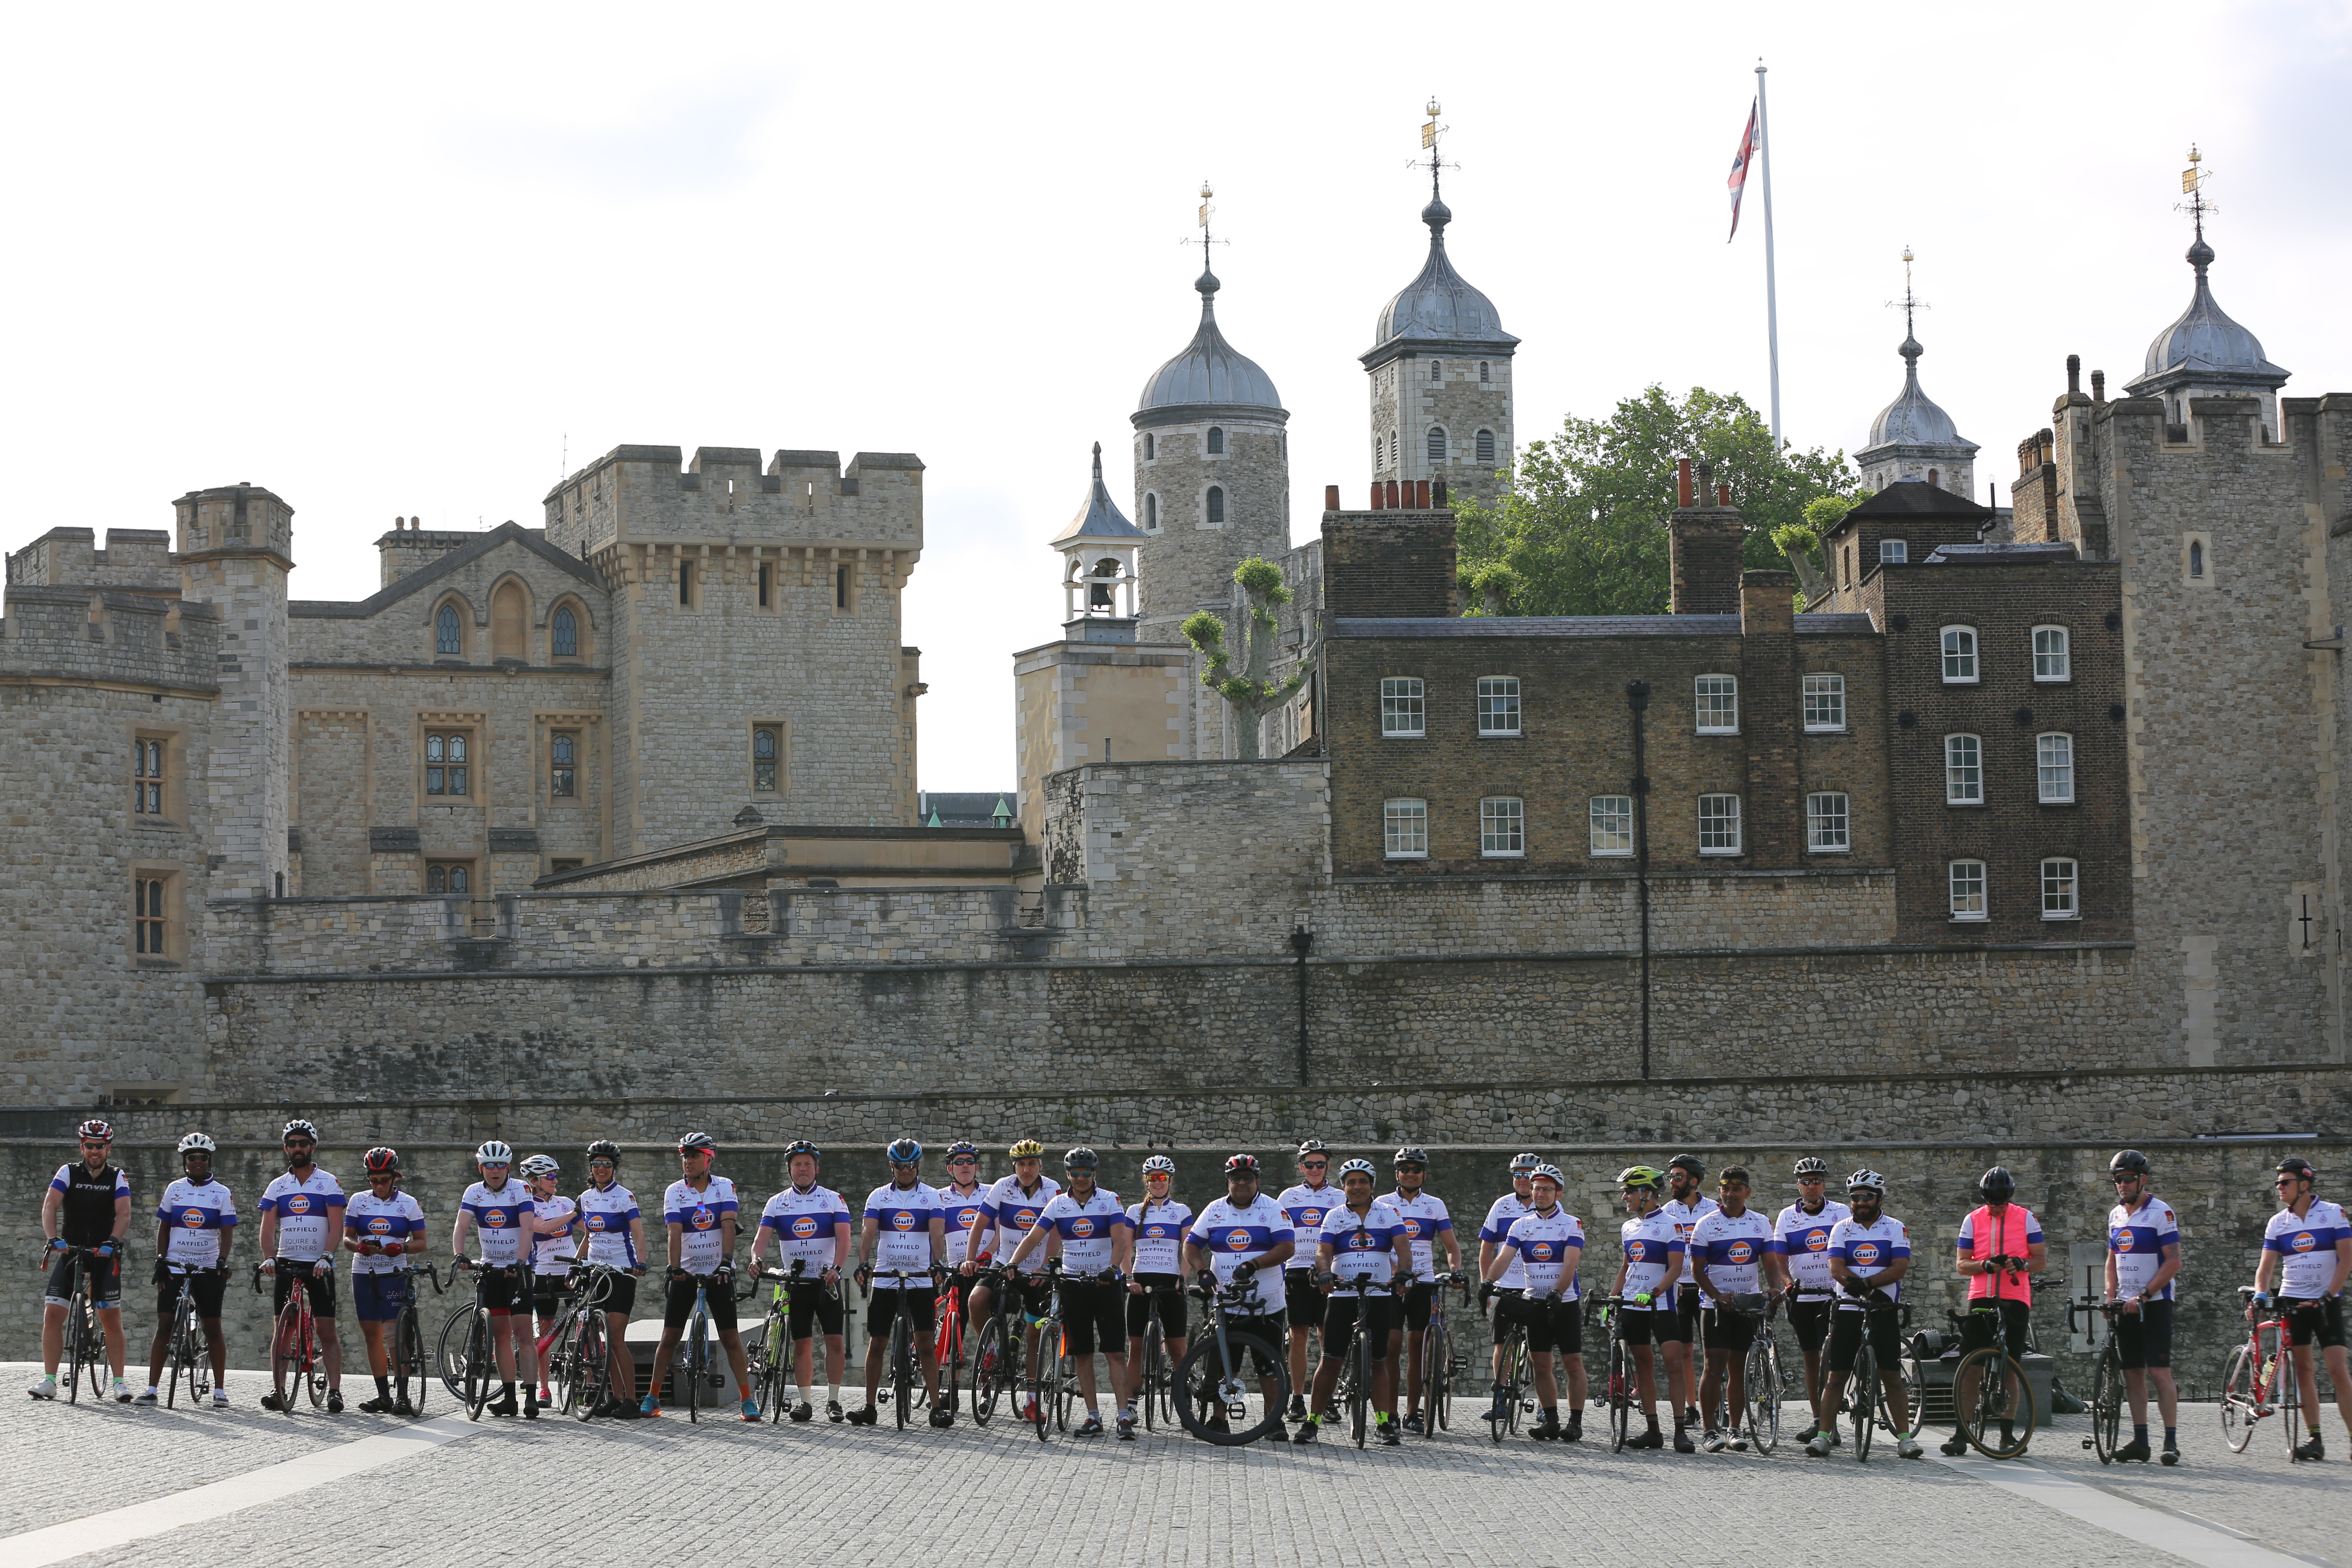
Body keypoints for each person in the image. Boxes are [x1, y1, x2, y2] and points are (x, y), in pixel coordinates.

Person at [1010, 1147, 1133, 1437]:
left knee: (1115, 1353)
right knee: (1082, 1354)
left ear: (1094, 1174)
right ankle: (1093, 1417)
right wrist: (1012, 1263)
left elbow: (1120, 1242)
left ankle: (1124, 1417)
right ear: (1068, 1175)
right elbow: (1033, 1237)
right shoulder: (1057, 1205)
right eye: (1075, 1173)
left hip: (1105, 1284)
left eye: (1086, 1173)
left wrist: (1113, 1268)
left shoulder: (1110, 1200)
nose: (1080, 1178)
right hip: (1073, 1285)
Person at [1295, 1158, 1415, 1446]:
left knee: (1379, 1361)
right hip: (1343, 1293)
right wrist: (1324, 1272)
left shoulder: (1388, 1213)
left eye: (1362, 1182)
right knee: (1331, 1360)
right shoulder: (1335, 1216)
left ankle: (1384, 1423)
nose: (1357, 1187)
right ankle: (1313, 1422)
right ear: (1344, 1187)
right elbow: (1323, 1251)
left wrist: (1405, 1274)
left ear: (1372, 1186)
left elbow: (1403, 1247)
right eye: (1351, 1182)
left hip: (1378, 1294)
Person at [1808, 1169, 1921, 1459]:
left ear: (1879, 1198)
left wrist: (1868, 1286)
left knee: (1892, 1377)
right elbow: (1836, 1269)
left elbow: (1899, 1268)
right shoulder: (1841, 1229)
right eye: (1856, 1197)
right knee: (1836, 1377)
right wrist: (1860, 1290)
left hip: (1883, 1309)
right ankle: (1823, 1436)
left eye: (1867, 1196)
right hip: (1848, 1309)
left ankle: (1905, 1438)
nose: (1861, 1202)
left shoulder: (1895, 1227)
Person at [645, 1131, 759, 1421]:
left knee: (731, 1338)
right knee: (669, 1337)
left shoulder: (724, 1187)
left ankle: (748, 1400)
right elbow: (674, 1232)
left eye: (694, 1156)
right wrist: (674, 1268)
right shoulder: (675, 1192)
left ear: (709, 1159)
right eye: (685, 1156)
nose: (688, 1161)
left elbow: (729, 1225)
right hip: (687, 1271)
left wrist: (726, 1262)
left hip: (718, 1272)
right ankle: (652, 1397)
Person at [1182, 1154, 1296, 1431]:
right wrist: (1201, 1270)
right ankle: (1219, 1419)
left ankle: (1274, 1420)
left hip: (1266, 1302)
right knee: (1223, 1366)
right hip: (1227, 1301)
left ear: (1258, 1181)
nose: (1242, 1183)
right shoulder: (1214, 1210)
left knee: (1269, 1366)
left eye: (1248, 1178)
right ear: (1228, 1183)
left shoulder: (1272, 1209)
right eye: (1236, 1178)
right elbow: (1191, 1246)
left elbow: (1287, 1248)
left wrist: (1254, 1264)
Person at [2250, 1156, 2352, 1461]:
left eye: (2285, 1182)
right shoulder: (2277, 1223)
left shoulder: (2334, 1214)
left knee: (2337, 1370)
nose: (2278, 1188)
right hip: (2293, 1300)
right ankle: (2315, 1439)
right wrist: (2260, 1294)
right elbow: (2266, 1268)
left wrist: (2329, 1295)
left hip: (2326, 1302)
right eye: (2277, 1183)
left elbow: (2346, 1260)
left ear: (2304, 1185)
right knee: (2304, 1370)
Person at [1942, 1165, 2045, 1458]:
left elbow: (2040, 1260)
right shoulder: (1972, 1220)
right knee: (1971, 1366)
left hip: (2015, 1296)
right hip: (1982, 1296)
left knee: (2010, 1365)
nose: (1997, 1208)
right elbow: (1962, 1265)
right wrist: (1985, 1265)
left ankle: (2008, 1434)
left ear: (2009, 1198)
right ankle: (1962, 1433)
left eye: (2001, 1202)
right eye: (1991, 1202)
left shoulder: (2026, 1218)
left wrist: (2021, 1264)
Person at [1479, 1163, 1585, 1441]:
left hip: (1565, 1303)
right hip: (1535, 1302)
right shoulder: (1521, 1224)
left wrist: (1559, 1292)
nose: (1540, 1194)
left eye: (1547, 1190)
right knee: (1541, 1365)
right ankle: (1551, 1421)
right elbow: (1503, 1258)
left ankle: (1575, 1422)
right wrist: (1488, 1283)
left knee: (1573, 1364)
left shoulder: (1571, 1224)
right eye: (1537, 1189)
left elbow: (1570, 1265)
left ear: (1558, 1194)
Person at [750, 1138, 852, 1422]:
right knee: (802, 1344)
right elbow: (761, 1241)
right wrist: (756, 1260)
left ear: (816, 1168)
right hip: (797, 1284)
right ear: (790, 1170)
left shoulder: (833, 1199)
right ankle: (805, 1402)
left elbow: (845, 1240)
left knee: (835, 1342)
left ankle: (833, 1401)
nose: (803, 1169)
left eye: (808, 1164)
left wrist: (837, 1268)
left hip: (826, 1282)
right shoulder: (777, 1203)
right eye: (798, 1165)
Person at [32, 1120, 134, 1403]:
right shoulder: (68, 1172)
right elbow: (50, 1205)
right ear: (82, 1147)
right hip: (71, 1251)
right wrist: (53, 1239)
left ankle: (119, 1382)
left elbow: (123, 1213)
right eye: (89, 1146)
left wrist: (113, 1241)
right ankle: (50, 1380)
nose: (94, 1151)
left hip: (103, 1253)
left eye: (100, 1146)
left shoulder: (117, 1176)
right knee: (52, 1314)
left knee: (111, 1319)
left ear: (108, 1148)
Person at [850, 1136, 947, 1426]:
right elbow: (868, 1233)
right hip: (886, 1277)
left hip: (920, 1278)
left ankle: (936, 1407)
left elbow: (937, 1235)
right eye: (900, 1166)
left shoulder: (931, 1196)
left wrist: (937, 1263)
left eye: (911, 1165)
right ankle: (869, 1407)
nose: (906, 1171)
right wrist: (863, 1264)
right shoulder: (879, 1196)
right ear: (892, 1166)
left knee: (926, 1343)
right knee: (878, 1342)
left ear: (917, 1165)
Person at [962, 1137, 1060, 1419]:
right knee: (976, 1299)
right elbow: (980, 1224)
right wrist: (971, 1258)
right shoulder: (1002, 1187)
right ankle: (991, 1349)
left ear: (1040, 1165)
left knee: (1033, 1338)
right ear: (1014, 1166)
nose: (1026, 1169)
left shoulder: (1053, 1190)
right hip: (1006, 1264)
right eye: (1021, 1164)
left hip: (1036, 1271)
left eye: (1031, 1164)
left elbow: (1054, 1233)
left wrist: (1045, 1266)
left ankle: (1032, 1402)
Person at [136, 1131, 235, 1408]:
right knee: (164, 1324)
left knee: (212, 1326)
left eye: (203, 1157)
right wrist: (160, 1258)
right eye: (193, 1157)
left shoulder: (222, 1193)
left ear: (209, 1160)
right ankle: (152, 1388)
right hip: (175, 1265)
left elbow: (226, 1232)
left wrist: (222, 1260)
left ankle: (219, 1390)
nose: (198, 1162)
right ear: (185, 1162)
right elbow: (165, 1227)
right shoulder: (175, 1189)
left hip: (207, 1265)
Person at [257, 1118, 347, 1412]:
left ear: (313, 1147)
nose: (298, 1148)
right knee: (281, 1331)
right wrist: (269, 1257)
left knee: (326, 1330)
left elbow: (337, 1226)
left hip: (318, 1263)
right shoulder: (278, 1186)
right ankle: (279, 1388)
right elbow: (268, 1227)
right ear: (286, 1148)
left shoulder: (329, 1182)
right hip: (286, 1261)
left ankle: (335, 1391)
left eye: (303, 1143)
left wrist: (327, 1256)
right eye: (293, 1144)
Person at [1687, 1165, 1774, 1452]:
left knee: (1739, 1370)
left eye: (1737, 1189)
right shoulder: (1707, 1223)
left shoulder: (1761, 1222)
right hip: (1713, 1306)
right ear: (1720, 1192)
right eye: (1725, 1189)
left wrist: (1775, 1288)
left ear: (1748, 1192)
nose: (1730, 1194)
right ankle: (1710, 1430)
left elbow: (1770, 1262)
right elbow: (1697, 1270)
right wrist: (1716, 1296)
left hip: (1747, 1305)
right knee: (1713, 1368)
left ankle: (1735, 1429)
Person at [2105, 1149, 2183, 1464]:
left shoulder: (2161, 1213)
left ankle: (2171, 1441)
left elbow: (2174, 1261)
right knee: (2133, 1374)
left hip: (2156, 1303)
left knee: (2159, 1371)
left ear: (2143, 1180)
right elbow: (2112, 1260)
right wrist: (2110, 1296)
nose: (2122, 1185)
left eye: (2127, 1180)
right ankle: (2140, 1441)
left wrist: (2146, 1295)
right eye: (2117, 1180)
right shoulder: (2115, 1216)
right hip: (2126, 1304)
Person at [451, 1139, 538, 1417]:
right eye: (489, 1166)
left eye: (500, 1165)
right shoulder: (474, 1193)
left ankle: (531, 1397)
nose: (495, 1170)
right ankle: (510, 1398)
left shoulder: (521, 1189)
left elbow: (527, 1228)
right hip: (491, 1269)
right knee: (501, 1336)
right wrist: (460, 1254)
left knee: (524, 1333)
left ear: (509, 1167)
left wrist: (520, 1261)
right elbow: (461, 1225)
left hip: (517, 1269)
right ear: (481, 1168)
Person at [1767, 1156, 1849, 1446]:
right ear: (1798, 1185)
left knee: (1831, 1360)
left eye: (1816, 1181)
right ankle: (1818, 1421)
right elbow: (1779, 1261)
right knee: (1811, 1360)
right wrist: (1789, 1285)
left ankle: (1831, 1423)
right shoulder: (1787, 1216)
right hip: (1802, 1297)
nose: (1811, 1186)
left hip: (1833, 1296)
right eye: (1806, 1181)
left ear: (1825, 1184)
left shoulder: (1841, 1212)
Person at [1381, 1144, 1461, 1435]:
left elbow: (1451, 1247)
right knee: (1391, 1348)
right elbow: (1379, 1246)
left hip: (1424, 1282)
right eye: (1405, 1169)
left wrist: (1456, 1271)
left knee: (1418, 1350)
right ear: (1397, 1173)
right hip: (1392, 1282)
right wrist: (1395, 1274)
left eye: (1416, 1170)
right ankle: (1389, 1413)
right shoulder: (1383, 1203)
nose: (1411, 1174)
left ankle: (1413, 1413)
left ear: (1424, 1174)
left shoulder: (1435, 1205)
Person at [341, 1146, 425, 1414]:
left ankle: (402, 1396)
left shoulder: (409, 1204)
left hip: (394, 1274)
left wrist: (402, 1248)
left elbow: (422, 1242)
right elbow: (347, 1238)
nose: (379, 1186)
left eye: (384, 1180)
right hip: (363, 1273)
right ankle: (383, 1395)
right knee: (372, 1336)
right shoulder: (358, 1201)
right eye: (373, 1180)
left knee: (394, 1337)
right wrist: (358, 1247)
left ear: (395, 1177)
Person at [1609, 1164, 1683, 1450]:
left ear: (1646, 1193)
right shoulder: (1628, 1227)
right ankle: (1654, 1430)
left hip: (1660, 1304)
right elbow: (1627, 1267)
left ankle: (1680, 1431)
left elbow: (1675, 1268)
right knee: (1643, 1366)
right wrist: (1612, 1298)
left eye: (1628, 1192)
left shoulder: (1671, 1224)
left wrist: (1654, 1292)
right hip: (1632, 1304)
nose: (1624, 1197)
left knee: (1674, 1364)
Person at [575, 1139, 647, 1419]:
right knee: (602, 1339)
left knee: (617, 1337)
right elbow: (589, 1236)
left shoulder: (625, 1197)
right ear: (591, 1168)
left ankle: (632, 1400)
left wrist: (640, 1263)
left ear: (614, 1168)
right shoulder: (586, 1197)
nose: (602, 1168)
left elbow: (638, 1235)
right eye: (597, 1164)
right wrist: (577, 1264)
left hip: (621, 1273)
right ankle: (615, 1397)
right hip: (597, 1273)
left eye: (607, 1164)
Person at [1275, 1138, 1338, 1422]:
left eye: (1320, 1164)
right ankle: (1298, 1399)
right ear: (1301, 1167)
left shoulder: (1339, 1197)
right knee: (1298, 1337)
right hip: (1297, 1271)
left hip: (1329, 1273)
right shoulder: (1287, 1197)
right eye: (1309, 1164)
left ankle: (1327, 1398)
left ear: (1327, 1166)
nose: (1315, 1169)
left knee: (1329, 1338)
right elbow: (1277, 1232)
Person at [1657, 1153, 1719, 1441]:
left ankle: (1718, 1406)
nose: (1672, 1181)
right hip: (1678, 1289)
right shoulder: (1666, 1211)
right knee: (1684, 1353)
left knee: (1714, 1354)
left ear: (1694, 1181)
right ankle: (1690, 1407)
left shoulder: (1715, 1210)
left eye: (1678, 1177)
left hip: (1708, 1289)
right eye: (1671, 1176)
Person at [1476, 1153, 1542, 1422]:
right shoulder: (1501, 1206)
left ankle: (1542, 1403)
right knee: (1502, 1346)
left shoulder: (1546, 1205)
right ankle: (1501, 1398)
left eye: (1528, 1174)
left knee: (1540, 1350)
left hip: (1534, 1288)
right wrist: (1487, 1285)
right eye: (1518, 1174)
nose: (1523, 1179)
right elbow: (1487, 1249)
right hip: (1505, 1286)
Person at [1125, 1154, 1192, 1419]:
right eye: (1152, 1178)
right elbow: (1125, 1248)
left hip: (1170, 1282)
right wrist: (1129, 1277)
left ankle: (1185, 1402)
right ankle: (1130, 1406)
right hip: (1141, 1282)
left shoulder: (1182, 1211)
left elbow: (1188, 1248)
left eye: (1162, 1177)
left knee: (1178, 1348)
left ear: (1170, 1180)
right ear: (1147, 1181)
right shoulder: (1134, 1212)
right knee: (1136, 1348)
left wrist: (1182, 1278)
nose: (1157, 1182)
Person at [522, 1154, 580, 1409]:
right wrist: (573, 1214)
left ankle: (586, 1385)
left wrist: (580, 1259)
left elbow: (591, 1230)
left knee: (583, 1329)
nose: (555, 1181)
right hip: (544, 1274)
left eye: (556, 1176)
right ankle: (544, 1389)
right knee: (544, 1335)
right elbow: (543, 1228)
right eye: (550, 1177)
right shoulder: (528, 1206)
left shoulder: (565, 1203)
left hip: (570, 1274)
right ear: (534, 1181)